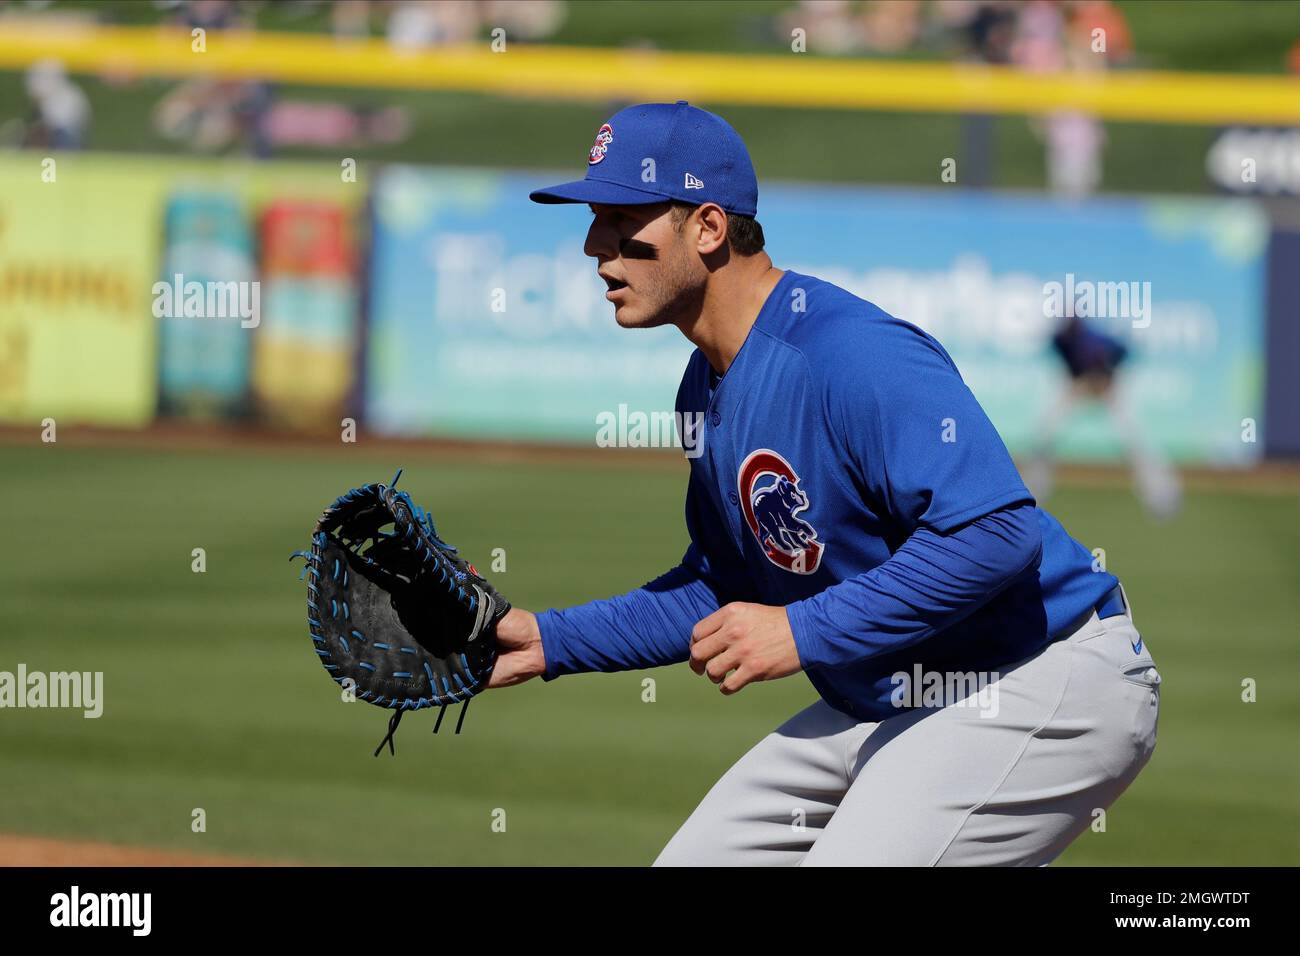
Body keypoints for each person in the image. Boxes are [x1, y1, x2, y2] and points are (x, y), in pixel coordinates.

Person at [491, 101, 1161, 866]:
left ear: (708, 228)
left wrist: (802, 631)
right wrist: (548, 640)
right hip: (894, 696)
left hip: (1044, 671)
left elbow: (996, 534)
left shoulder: (851, 352)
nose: (593, 246)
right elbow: (727, 587)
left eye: (621, 219)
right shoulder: (703, 387)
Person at [1025, 311, 1182, 519]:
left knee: (1135, 441)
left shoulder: (1094, 340)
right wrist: (1078, 385)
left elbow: (1124, 352)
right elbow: (1068, 366)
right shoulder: (1059, 339)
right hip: (1077, 385)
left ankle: (1162, 494)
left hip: (1109, 386)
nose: (1069, 325)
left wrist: (1104, 379)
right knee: (1044, 434)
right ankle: (1031, 494)